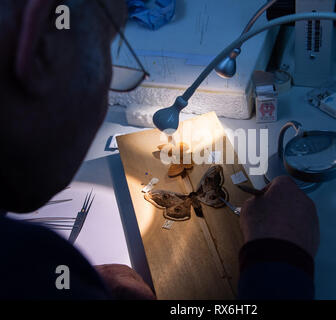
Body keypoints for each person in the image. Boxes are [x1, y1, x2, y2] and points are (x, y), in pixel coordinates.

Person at [0, 0, 319, 300]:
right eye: (106, 47)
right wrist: (280, 257)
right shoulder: (28, 261)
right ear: (41, 44)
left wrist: (78, 284)